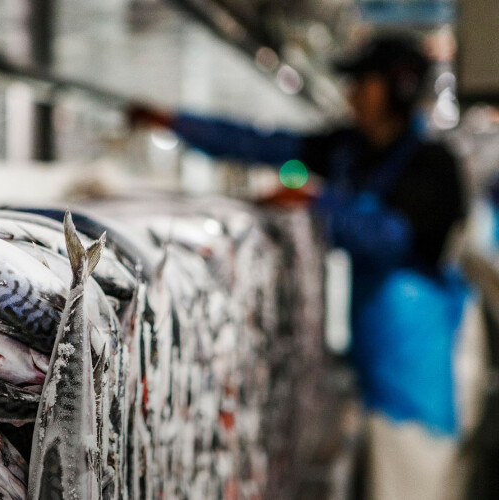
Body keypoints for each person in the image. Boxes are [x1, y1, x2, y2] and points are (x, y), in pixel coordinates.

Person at [130, 34, 469, 500]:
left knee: (414, 476)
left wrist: (316, 198)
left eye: (363, 82)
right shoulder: (350, 147)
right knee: (380, 478)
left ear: (398, 87)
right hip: (376, 351)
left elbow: (390, 240)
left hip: (415, 359)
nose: (352, 93)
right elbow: (262, 144)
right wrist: (173, 122)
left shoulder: (433, 164)